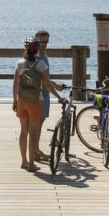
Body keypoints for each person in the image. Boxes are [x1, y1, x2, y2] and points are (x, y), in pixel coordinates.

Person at [13, 36, 64, 171]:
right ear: (37, 50)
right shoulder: (41, 64)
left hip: (22, 101)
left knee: (23, 131)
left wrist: (15, 101)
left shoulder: (19, 64)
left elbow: (15, 85)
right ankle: (31, 164)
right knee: (33, 133)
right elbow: (46, 84)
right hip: (36, 101)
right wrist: (59, 96)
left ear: (25, 49)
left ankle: (24, 162)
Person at [34, 29, 64, 161]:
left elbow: (44, 78)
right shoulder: (39, 57)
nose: (44, 44)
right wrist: (58, 96)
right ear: (36, 41)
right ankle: (35, 152)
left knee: (37, 124)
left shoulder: (41, 54)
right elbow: (44, 82)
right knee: (37, 125)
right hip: (41, 95)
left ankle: (36, 150)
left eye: (46, 42)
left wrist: (55, 84)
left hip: (42, 93)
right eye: (41, 42)